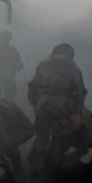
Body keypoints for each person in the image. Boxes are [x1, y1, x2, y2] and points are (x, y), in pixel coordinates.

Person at [27, 43, 87, 174]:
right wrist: (77, 111)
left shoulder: (44, 63)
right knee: (58, 139)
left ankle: (36, 169)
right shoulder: (73, 67)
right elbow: (80, 92)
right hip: (62, 107)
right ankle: (52, 171)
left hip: (43, 104)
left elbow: (32, 86)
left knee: (41, 137)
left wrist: (35, 103)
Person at [0, 30, 24, 103]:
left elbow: (20, 65)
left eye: (6, 39)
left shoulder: (12, 51)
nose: (4, 41)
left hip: (7, 79)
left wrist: (14, 69)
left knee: (8, 99)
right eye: (3, 39)